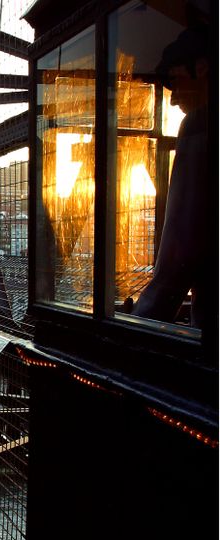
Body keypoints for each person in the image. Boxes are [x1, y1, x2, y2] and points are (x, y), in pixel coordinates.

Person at [132, 25, 214, 335]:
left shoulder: (202, 126)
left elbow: (179, 257)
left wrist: (134, 327)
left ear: (203, 68)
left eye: (175, 82)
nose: (172, 99)